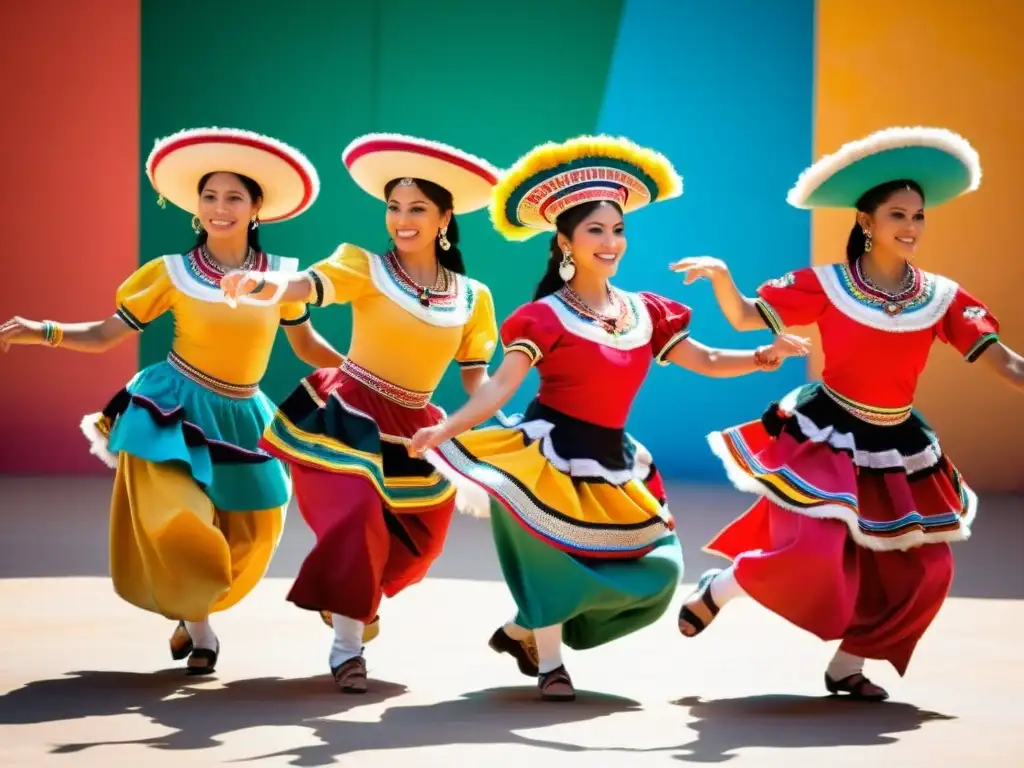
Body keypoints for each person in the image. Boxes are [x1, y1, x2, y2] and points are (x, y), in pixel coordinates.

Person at [408, 135, 811, 702]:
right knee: (548, 556)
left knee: (661, 571)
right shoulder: (542, 317)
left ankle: (525, 630)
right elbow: (499, 387)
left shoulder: (645, 310)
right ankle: (550, 662)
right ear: (565, 240)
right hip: (545, 454)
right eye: (595, 230)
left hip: (613, 459)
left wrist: (762, 357)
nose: (610, 241)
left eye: (617, 229)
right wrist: (446, 429)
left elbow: (709, 359)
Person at [671, 126, 1024, 701]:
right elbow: (742, 318)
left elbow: (1008, 365)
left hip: (899, 444)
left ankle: (849, 664)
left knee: (928, 571)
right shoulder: (827, 285)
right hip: (828, 433)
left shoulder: (942, 297)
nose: (911, 227)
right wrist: (720, 276)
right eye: (898, 215)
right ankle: (724, 586)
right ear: (867, 221)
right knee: (809, 553)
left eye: (918, 216)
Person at [0, 126, 341, 674]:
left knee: (256, 531)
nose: (219, 208)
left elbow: (305, 344)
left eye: (234, 197)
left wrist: (358, 371)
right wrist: (43, 330)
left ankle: (192, 610)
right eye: (209, 197)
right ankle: (203, 634)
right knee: (179, 519)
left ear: (257, 207)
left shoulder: (281, 279)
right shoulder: (172, 272)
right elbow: (107, 333)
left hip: (244, 414)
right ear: (196, 207)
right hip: (173, 410)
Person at [220, 133, 502, 693]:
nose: (401, 219)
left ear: (445, 218)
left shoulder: (474, 298)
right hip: (347, 412)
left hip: (418, 429)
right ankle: (347, 650)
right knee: (356, 515)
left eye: (417, 208)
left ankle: (357, 599)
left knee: (422, 542)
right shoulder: (362, 265)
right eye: (393, 207)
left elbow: (479, 382)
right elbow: (302, 284)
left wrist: (492, 427)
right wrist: (262, 282)